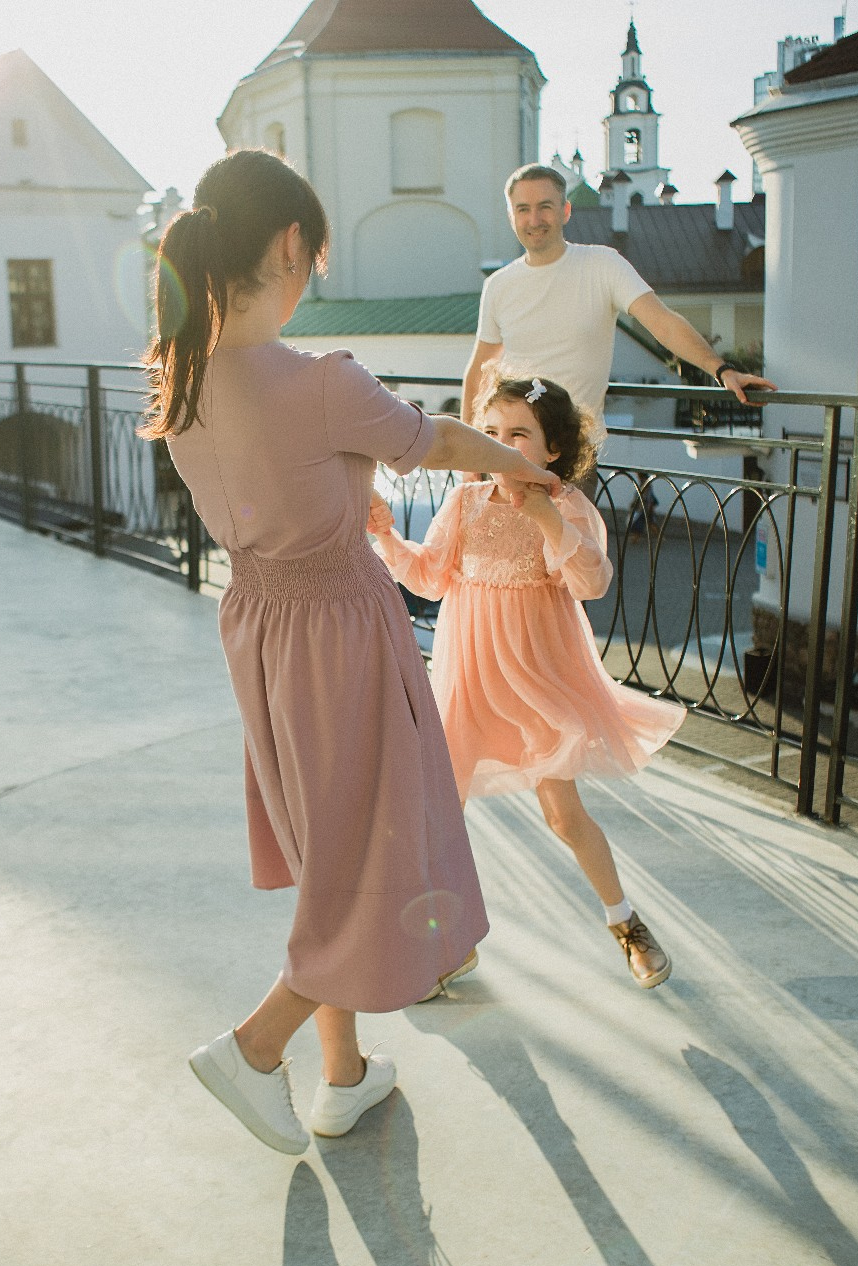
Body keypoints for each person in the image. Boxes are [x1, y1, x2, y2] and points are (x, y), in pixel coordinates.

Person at [147, 150, 562, 1155]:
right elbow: (440, 441)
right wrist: (523, 463)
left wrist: (342, 495)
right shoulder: (322, 379)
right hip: (341, 629)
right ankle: (255, 1047)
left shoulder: (182, 379)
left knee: (319, 847)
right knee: (373, 857)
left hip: (260, 625)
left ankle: (342, 1076)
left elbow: (274, 483)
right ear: (290, 245)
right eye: (315, 258)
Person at [369, 372, 687, 987]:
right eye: (489, 433)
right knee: (441, 812)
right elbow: (432, 578)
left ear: (553, 451)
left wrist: (544, 513)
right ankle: (451, 943)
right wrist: (385, 535)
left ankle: (625, 922)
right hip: (468, 679)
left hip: (536, 679)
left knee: (563, 814)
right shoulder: (465, 503)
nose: (501, 447)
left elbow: (590, 583)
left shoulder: (568, 508)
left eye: (519, 435)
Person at [462, 164, 777, 426]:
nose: (534, 220)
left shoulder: (602, 264)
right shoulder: (499, 284)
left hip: (573, 455)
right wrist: (471, 450)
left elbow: (663, 322)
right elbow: (479, 369)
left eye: (545, 207)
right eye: (523, 209)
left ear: (565, 211)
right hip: (507, 453)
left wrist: (723, 371)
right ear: (511, 217)